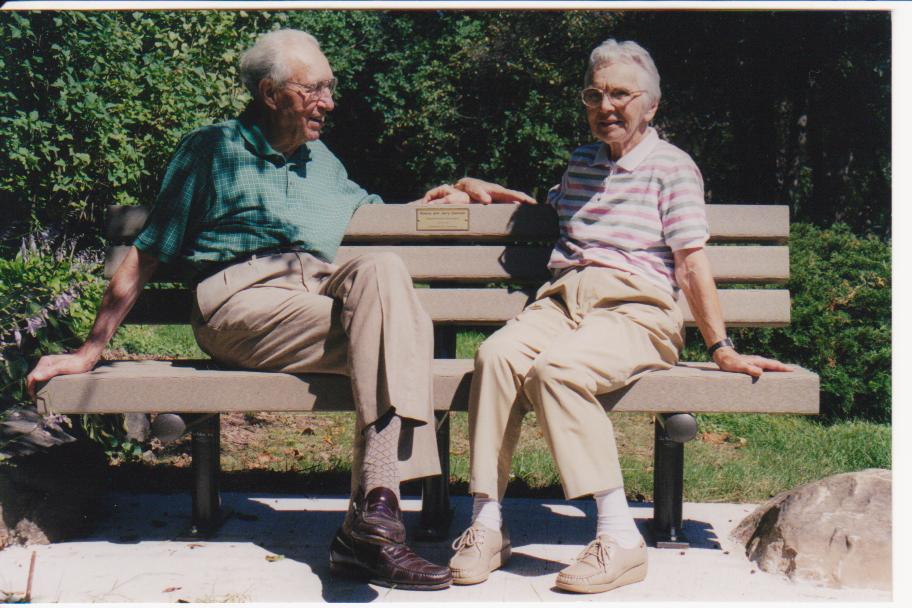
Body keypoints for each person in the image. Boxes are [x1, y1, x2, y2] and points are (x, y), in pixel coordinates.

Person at [25, 29, 527, 591]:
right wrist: (90, 350)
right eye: (314, 90)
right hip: (238, 303)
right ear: (269, 94)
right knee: (393, 339)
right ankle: (374, 525)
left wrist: (454, 191)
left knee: (385, 272)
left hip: (315, 295)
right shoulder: (210, 150)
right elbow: (149, 251)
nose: (328, 103)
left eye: (329, 89)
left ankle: (374, 517)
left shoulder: (323, 163)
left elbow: (382, 215)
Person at [426, 38, 792, 594]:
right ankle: (487, 523)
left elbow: (691, 262)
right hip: (562, 300)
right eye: (594, 95)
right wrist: (485, 193)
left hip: (636, 308)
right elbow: (551, 213)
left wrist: (721, 348)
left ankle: (620, 537)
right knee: (495, 355)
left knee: (558, 372)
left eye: (621, 94)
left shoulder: (673, 168)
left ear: (651, 106)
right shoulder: (582, 162)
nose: (606, 106)